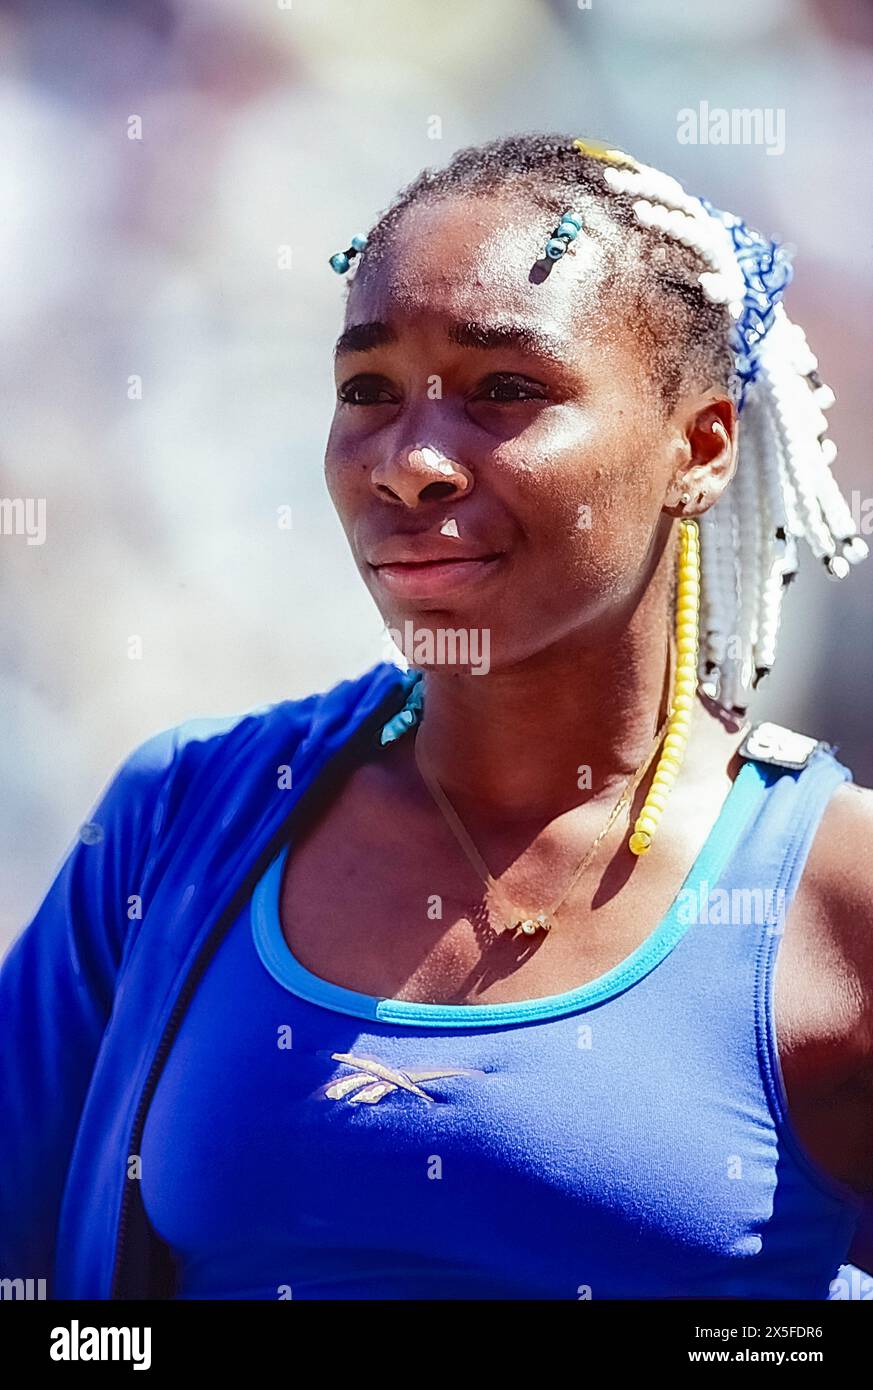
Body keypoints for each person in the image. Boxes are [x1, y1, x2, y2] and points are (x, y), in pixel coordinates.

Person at [2, 133, 871, 1301]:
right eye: (367, 390)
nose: (410, 463)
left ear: (699, 448)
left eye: (505, 390)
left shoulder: (838, 898)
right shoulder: (178, 822)